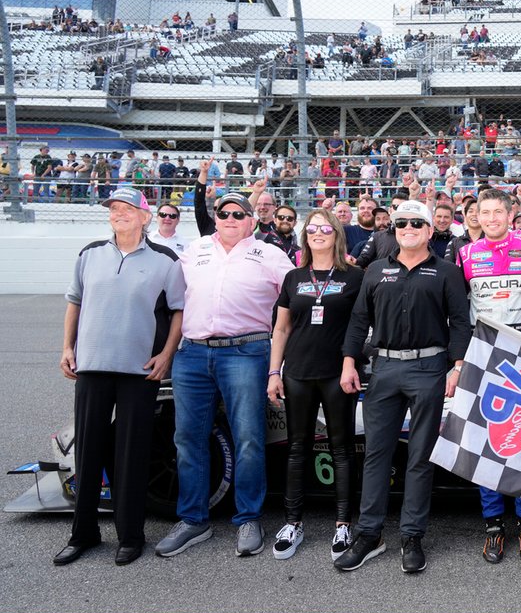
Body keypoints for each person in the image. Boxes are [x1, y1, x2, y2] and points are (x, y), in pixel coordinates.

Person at [155, 192, 294, 558]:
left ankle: (248, 517)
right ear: (215, 217)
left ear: (251, 219)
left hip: (247, 350)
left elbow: (295, 297)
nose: (230, 218)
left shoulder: (269, 253)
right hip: (194, 353)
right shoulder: (194, 250)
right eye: (223, 212)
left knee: (248, 438)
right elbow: (165, 295)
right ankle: (192, 520)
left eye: (238, 213)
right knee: (187, 438)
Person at [337, 200, 470, 572]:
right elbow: (359, 320)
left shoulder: (446, 272)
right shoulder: (376, 270)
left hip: (430, 368)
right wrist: (349, 361)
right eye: (400, 223)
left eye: (415, 222)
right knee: (376, 454)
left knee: (419, 457)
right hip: (384, 369)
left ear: (430, 230)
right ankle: (370, 534)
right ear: (392, 230)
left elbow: (461, 322)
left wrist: (457, 367)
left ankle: (412, 535)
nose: (407, 228)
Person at [55, 188, 185, 567]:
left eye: (127, 208)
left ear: (145, 217)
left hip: (138, 372)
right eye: (114, 208)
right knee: (89, 451)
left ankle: (131, 535)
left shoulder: (166, 260)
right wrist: (66, 347)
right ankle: (84, 534)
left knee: (131, 455)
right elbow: (74, 302)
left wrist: (166, 353)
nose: (118, 213)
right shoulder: (89, 253)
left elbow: (178, 311)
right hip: (92, 367)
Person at [455, 189, 521, 563]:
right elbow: (457, 306)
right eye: (486, 213)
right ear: (476, 217)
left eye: (499, 211)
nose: (493, 218)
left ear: (510, 213)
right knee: (487, 440)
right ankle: (494, 525)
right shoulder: (465, 253)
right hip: (483, 353)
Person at [267, 208, 365, 561]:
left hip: (338, 374)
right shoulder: (293, 277)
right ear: (305, 236)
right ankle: (293, 522)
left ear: (337, 234)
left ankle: (343, 523)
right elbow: (281, 329)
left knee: (341, 449)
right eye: (312, 229)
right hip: (297, 373)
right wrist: (273, 372)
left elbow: (362, 326)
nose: (318, 233)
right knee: (297, 448)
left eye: (325, 228)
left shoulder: (355, 277)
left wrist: (351, 364)